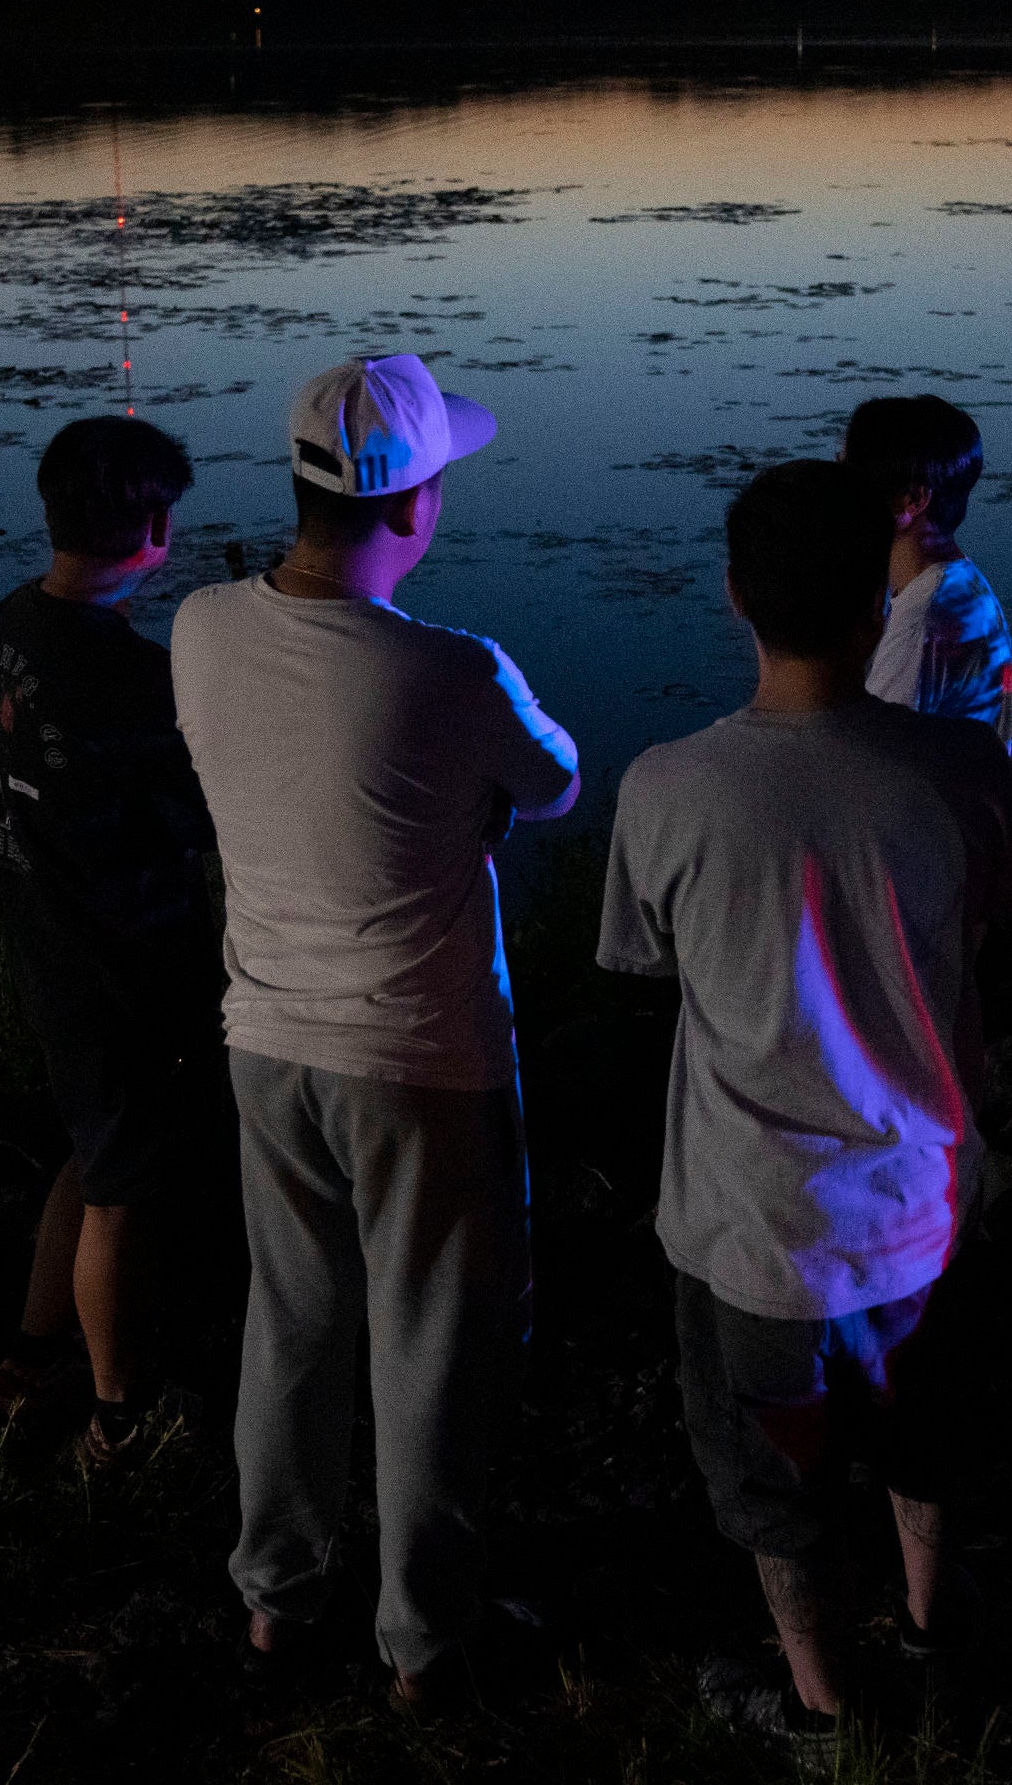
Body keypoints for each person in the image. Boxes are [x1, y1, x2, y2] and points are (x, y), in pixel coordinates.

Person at [169, 352, 581, 1709]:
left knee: (290, 1327)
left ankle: (276, 1606)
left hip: (264, 1045)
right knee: (431, 1349)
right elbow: (559, 781)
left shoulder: (200, 629)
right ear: (414, 504)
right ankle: (424, 1645)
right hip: (418, 1065)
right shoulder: (453, 669)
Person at [599, 460, 1012, 1768]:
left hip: (749, 1231)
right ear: (869, 606)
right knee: (923, 1437)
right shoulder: (956, 772)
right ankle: (934, 1637)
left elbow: (640, 967)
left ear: (736, 597)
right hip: (919, 1212)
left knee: (774, 1483)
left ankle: (823, 1705)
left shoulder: (666, 786)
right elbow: (993, 942)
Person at [0, 415, 229, 1461]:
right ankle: (117, 1415)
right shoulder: (130, 675)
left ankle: (31, 1352)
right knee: (122, 1188)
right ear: (155, 526)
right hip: (120, 968)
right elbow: (200, 820)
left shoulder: (9, 624)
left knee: (88, 1152)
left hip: (46, 946)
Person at [842, 395, 1012, 750]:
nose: (838, 489)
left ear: (913, 501)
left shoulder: (923, 622)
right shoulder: (960, 587)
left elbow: (869, 760)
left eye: (849, 473)